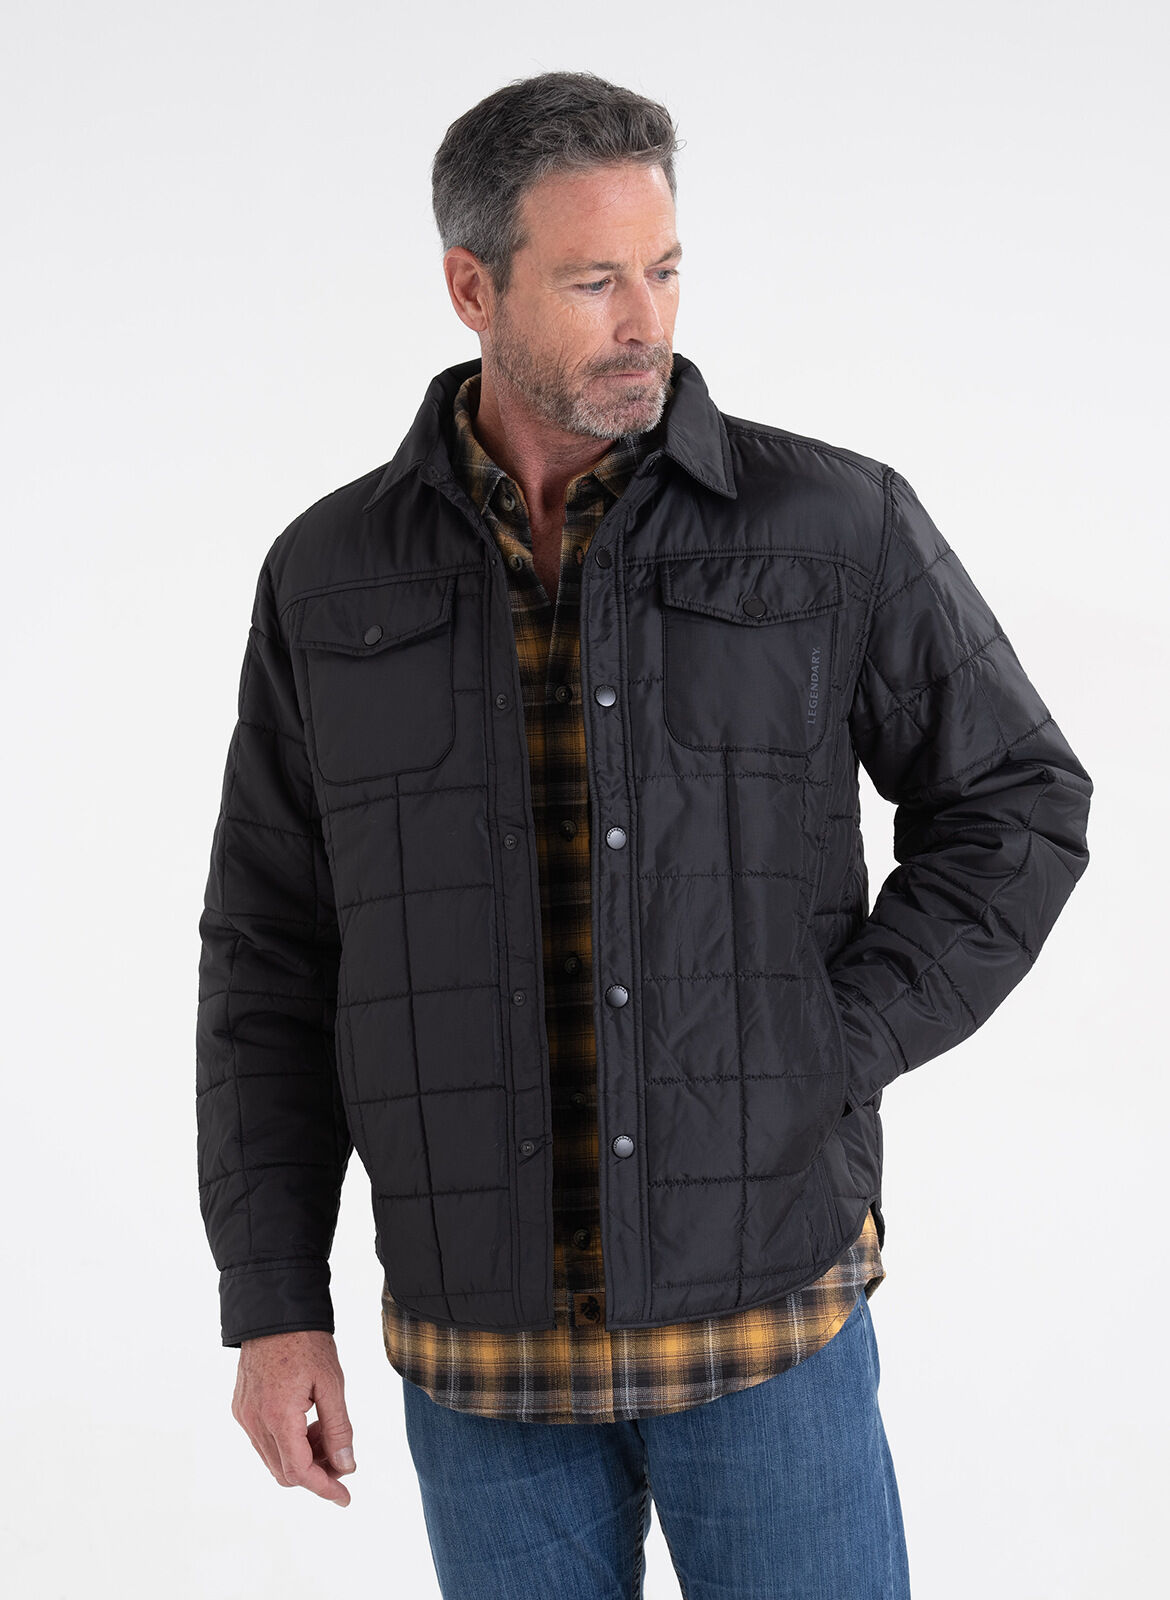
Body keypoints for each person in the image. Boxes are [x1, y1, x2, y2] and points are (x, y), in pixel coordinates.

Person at [196, 70, 1092, 1599]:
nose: (644, 320)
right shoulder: (331, 577)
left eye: (664, 269)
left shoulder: (833, 526)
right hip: (479, 1357)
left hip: (766, 1316)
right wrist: (273, 1298)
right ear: (471, 287)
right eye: (592, 281)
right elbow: (272, 948)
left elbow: (1016, 803)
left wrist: (827, 1038)